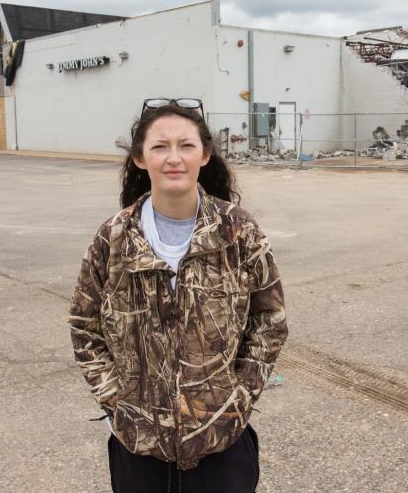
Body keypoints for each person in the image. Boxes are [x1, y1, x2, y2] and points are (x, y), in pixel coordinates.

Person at [69, 98, 288, 493]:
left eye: (186, 146)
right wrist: (116, 403)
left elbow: (269, 323)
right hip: (138, 448)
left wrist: (237, 401)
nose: (174, 158)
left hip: (221, 446)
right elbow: (85, 328)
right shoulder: (113, 238)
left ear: (204, 155)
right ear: (140, 158)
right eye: (160, 146)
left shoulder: (239, 233)